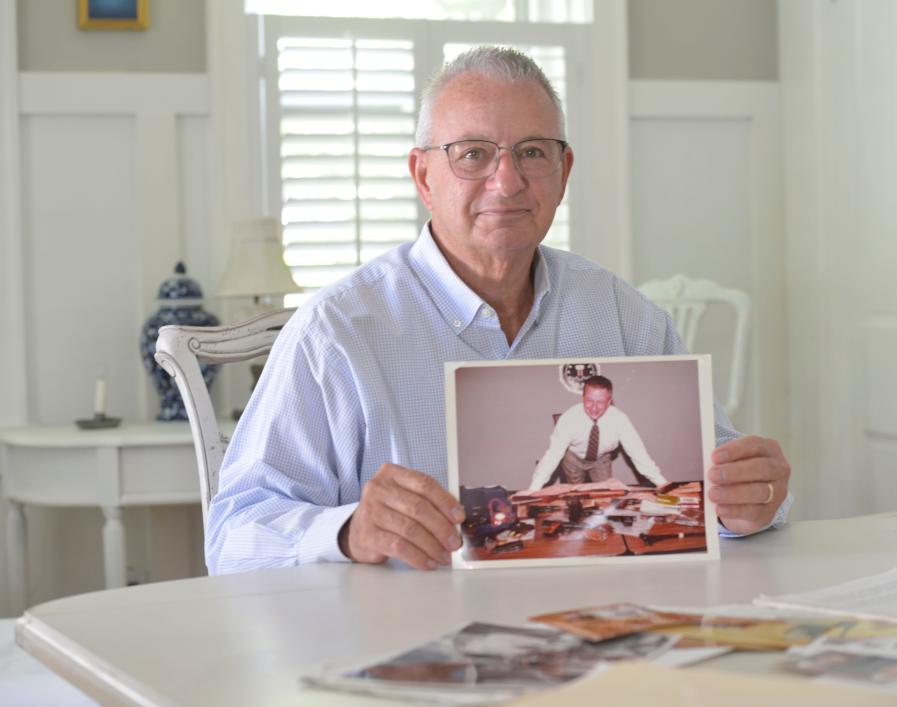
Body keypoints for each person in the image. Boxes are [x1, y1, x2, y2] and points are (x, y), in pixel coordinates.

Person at [206, 46, 792, 575]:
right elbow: (232, 536)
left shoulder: (627, 317)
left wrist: (754, 502)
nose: (506, 180)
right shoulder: (336, 333)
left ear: (562, 174)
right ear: (423, 176)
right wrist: (345, 530)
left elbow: (721, 492)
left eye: (532, 152)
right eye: (473, 154)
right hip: (407, 657)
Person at [526, 375, 669, 491]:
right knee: (576, 497)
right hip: (573, 458)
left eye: (600, 402)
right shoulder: (568, 419)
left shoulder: (620, 419)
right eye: (589, 401)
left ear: (609, 401)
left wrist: (661, 482)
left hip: (601, 459)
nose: (594, 408)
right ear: (583, 398)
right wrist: (533, 489)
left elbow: (638, 453)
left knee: (605, 497)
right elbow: (553, 455)